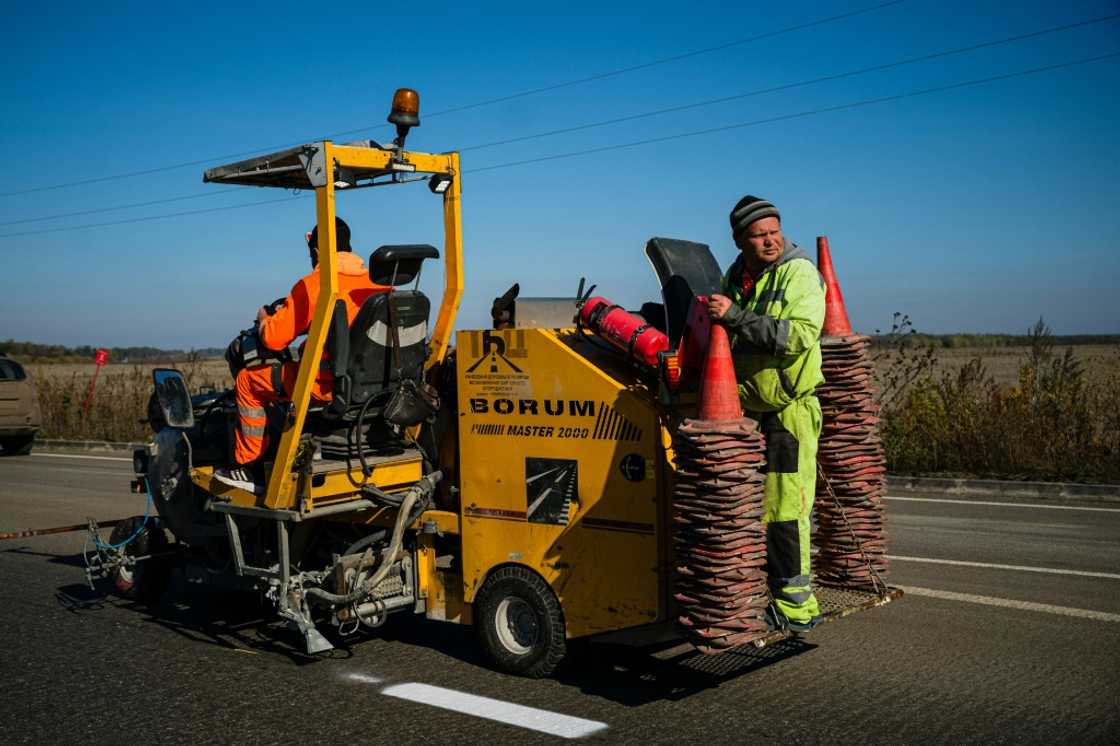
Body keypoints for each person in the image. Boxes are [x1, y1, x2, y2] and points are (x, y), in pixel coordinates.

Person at [706, 195, 826, 632]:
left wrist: (735, 316)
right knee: (746, 506)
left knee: (784, 508)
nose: (771, 240)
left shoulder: (799, 273)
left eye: (774, 231)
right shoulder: (736, 275)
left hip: (787, 412)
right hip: (748, 411)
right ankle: (760, 592)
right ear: (740, 240)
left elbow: (798, 336)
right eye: (760, 235)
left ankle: (795, 604)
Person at [214, 217, 388, 491]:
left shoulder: (314, 285)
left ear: (317, 251)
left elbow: (273, 339)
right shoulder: (379, 284)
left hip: (327, 384)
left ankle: (248, 466)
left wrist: (264, 319)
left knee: (248, 382)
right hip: (376, 384)